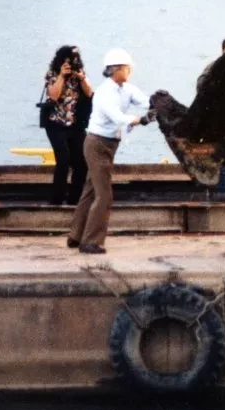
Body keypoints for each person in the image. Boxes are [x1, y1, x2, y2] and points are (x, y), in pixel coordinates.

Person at [67, 48, 151, 254]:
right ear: (116, 69)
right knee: (104, 195)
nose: (129, 71)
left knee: (91, 190)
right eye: (127, 68)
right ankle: (91, 242)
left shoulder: (126, 89)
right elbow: (117, 117)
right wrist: (141, 120)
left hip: (108, 144)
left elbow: (146, 102)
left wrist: (158, 106)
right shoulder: (105, 92)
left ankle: (75, 236)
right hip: (97, 144)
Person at [43, 45, 94, 205]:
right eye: (67, 62)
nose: (71, 65)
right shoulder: (52, 74)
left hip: (75, 124)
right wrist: (61, 76)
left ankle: (75, 199)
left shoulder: (79, 74)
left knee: (81, 162)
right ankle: (57, 199)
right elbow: (54, 95)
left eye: (73, 61)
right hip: (55, 123)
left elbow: (90, 93)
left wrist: (81, 78)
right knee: (63, 160)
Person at [197, 37, 225, 194]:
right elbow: (201, 85)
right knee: (219, 152)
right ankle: (221, 191)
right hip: (218, 116)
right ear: (223, 51)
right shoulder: (213, 67)